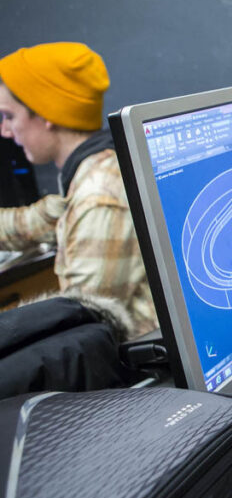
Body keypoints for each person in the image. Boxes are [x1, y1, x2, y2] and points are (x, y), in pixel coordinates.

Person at [0, 42, 156, 337]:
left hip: (136, 370)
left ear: (46, 114)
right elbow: (36, 222)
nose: (5, 131)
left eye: (9, 116)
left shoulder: (98, 198)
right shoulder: (101, 165)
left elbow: (80, 329)